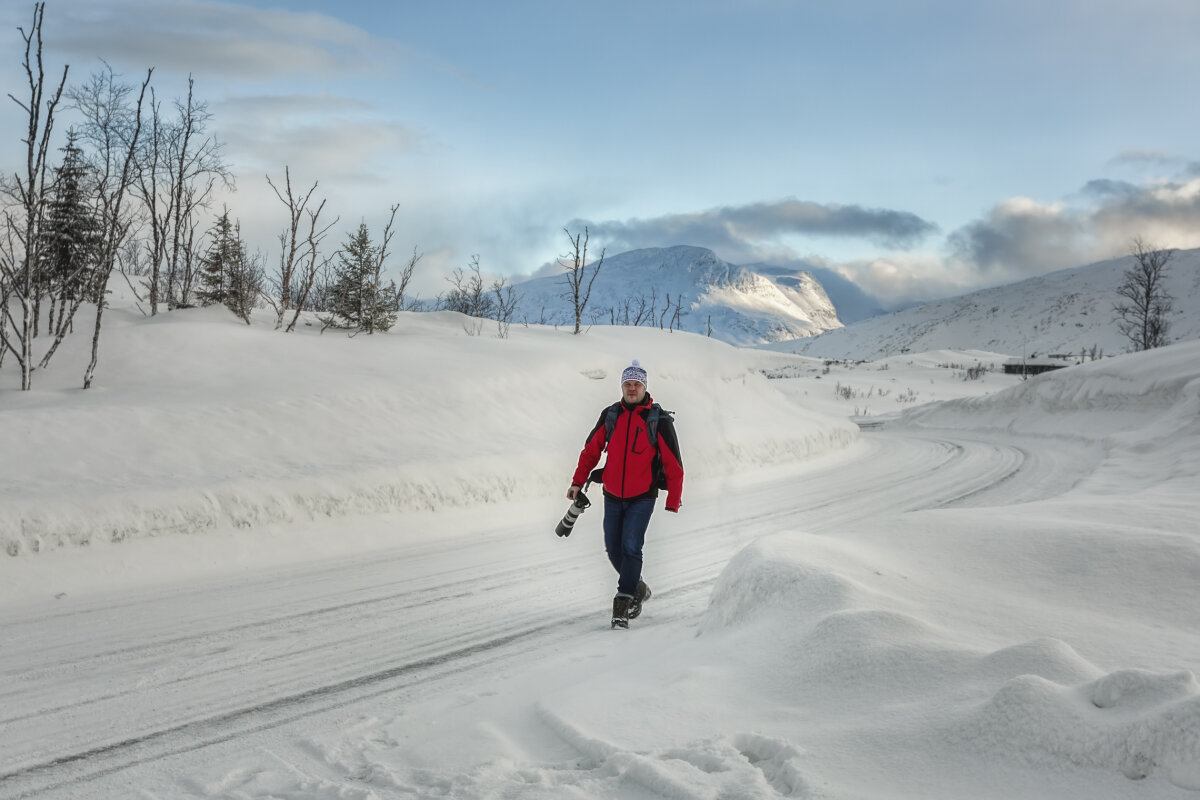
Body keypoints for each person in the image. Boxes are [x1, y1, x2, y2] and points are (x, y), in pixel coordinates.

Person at [567, 359, 683, 628]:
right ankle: (638, 587)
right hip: (612, 495)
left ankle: (624, 599)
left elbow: (673, 462)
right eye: (627, 384)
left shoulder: (658, 420)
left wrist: (673, 498)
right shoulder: (611, 415)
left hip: (643, 496)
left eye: (637, 384)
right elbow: (591, 452)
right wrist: (577, 481)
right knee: (613, 548)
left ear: (644, 387)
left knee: (631, 545)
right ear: (622, 386)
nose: (632, 389)